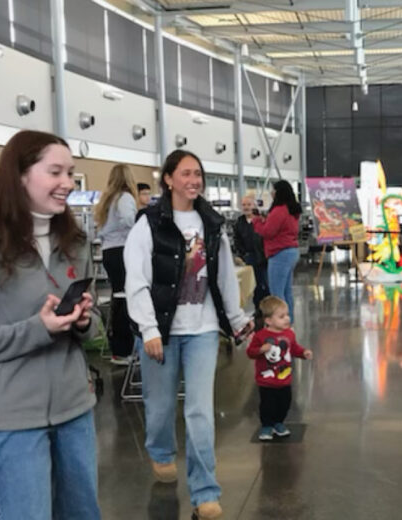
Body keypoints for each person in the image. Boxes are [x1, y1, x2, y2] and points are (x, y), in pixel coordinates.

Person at [0, 130, 101, 518]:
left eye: (70, 172)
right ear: (19, 177)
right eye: (55, 172)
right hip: (13, 421)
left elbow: (94, 326)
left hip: (75, 412)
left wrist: (83, 321)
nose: (67, 183)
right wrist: (39, 328)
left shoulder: (75, 242)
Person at [124, 149, 251, 520]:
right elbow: (136, 280)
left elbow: (225, 275)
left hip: (203, 330)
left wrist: (236, 318)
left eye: (198, 174)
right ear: (168, 178)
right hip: (160, 332)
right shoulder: (148, 224)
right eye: (185, 174)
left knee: (200, 412)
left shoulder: (211, 223)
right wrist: (148, 328)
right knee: (161, 408)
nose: (194, 180)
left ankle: (205, 491)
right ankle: (160, 451)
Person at [246, 296, 313, 441]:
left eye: (287, 315)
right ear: (268, 321)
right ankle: (266, 425)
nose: (287, 319)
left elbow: (293, 348)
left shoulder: (289, 334)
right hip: (266, 381)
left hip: (284, 379)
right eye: (281, 317)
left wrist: (303, 353)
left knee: (285, 402)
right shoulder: (260, 336)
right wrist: (260, 350)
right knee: (267, 404)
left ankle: (279, 422)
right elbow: (250, 352)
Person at [95, 164, 138, 364]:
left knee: (119, 297)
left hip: (109, 252)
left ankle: (119, 347)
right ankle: (124, 348)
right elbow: (131, 221)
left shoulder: (106, 201)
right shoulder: (125, 198)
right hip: (122, 251)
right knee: (127, 299)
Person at [254, 180, 301, 320]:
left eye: (273, 190)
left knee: (276, 293)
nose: (271, 193)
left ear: (278, 192)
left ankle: (279, 324)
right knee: (287, 292)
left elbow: (268, 232)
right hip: (291, 251)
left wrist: (257, 221)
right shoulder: (292, 209)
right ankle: (288, 321)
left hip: (279, 253)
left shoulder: (279, 210)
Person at [234, 195, 269, 311]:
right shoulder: (239, 222)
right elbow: (237, 240)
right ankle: (257, 310)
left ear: (254, 206)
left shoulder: (262, 220)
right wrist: (241, 255)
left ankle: (266, 309)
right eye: (244, 205)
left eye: (249, 205)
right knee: (253, 285)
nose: (246, 207)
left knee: (264, 284)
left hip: (263, 257)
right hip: (249, 257)